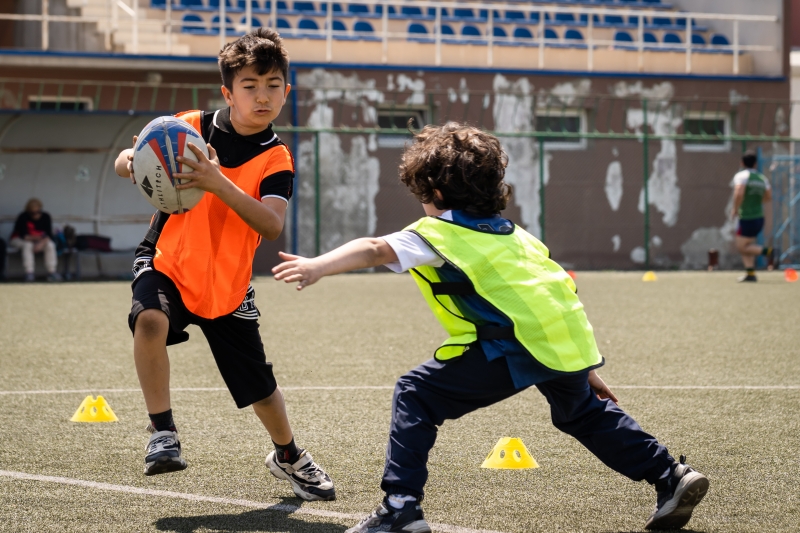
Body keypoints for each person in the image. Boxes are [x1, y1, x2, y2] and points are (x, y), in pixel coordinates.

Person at [273, 123, 709, 532]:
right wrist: (581, 365)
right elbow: (554, 294)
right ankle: (669, 474)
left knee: (416, 392)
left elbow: (372, 248)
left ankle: (400, 508)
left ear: (436, 191)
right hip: (562, 340)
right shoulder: (517, 235)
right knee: (583, 413)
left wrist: (317, 266)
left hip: (513, 345)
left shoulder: (437, 232)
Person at [113, 28, 335, 501]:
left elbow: (271, 226)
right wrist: (135, 159)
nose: (262, 96)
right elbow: (125, 161)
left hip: (227, 287)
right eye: (250, 86)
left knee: (261, 389)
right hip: (167, 261)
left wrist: (215, 181)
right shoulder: (188, 125)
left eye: (273, 85)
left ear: (286, 92)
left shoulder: (276, 158)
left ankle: (289, 456)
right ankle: (162, 433)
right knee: (149, 321)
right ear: (227, 92)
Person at [731, 150, 772, 282]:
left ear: (742, 163)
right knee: (747, 246)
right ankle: (751, 274)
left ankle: (769, 252)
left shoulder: (741, 176)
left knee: (741, 246)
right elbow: (768, 197)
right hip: (759, 217)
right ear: (755, 164)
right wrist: (756, 202)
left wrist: (735, 208)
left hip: (747, 217)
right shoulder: (762, 178)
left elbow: (739, 193)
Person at [10, 198, 61, 282]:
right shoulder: (23, 217)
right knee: (28, 245)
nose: (36, 215)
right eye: (33, 213)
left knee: (50, 245)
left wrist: (40, 244)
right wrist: (38, 240)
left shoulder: (45, 216)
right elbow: (24, 236)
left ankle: (52, 272)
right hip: (19, 239)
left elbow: (49, 235)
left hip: (39, 242)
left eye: (38, 212)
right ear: (29, 212)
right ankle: (29, 272)